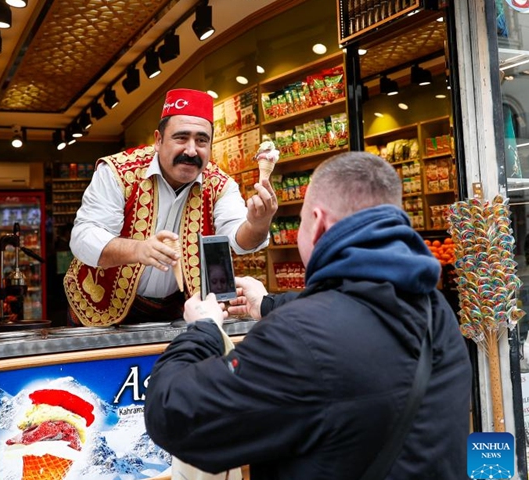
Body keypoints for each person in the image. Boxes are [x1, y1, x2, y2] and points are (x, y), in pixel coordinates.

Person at [144, 151, 472, 479]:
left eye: (301, 221)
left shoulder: (296, 339)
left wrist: (202, 331)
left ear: (319, 224)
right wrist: (267, 304)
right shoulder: (435, 310)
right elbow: (357, 315)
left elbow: (173, 416)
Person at [64, 88, 277, 326]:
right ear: (158, 140)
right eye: (181, 137)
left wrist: (258, 224)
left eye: (201, 140)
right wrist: (139, 250)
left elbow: (239, 239)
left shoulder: (220, 184)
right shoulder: (118, 172)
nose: (191, 150)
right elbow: (83, 238)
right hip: (102, 306)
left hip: (178, 310)